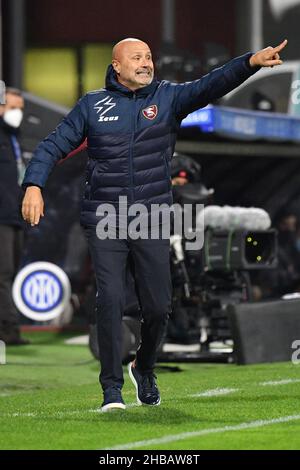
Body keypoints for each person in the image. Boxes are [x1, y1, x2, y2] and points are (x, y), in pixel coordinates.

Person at [21, 37, 287, 411]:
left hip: (152, 217)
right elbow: (52, 145)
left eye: (148, 57)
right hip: (106, 216)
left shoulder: (168, 98)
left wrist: (250, 63)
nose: (146, 63)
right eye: (137, 58)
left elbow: (211, 83)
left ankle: (143, 367)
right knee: (111, 299)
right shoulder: (92, 105)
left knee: (160, 307)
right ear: (116, 65)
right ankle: (111, 389)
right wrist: (34, 184)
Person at [0, 87, 29, 345]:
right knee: (4, 273)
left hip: (13, 216)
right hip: (1, 216)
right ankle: (8, 330)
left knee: (9, 273)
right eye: (12, 107)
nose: (17, 113)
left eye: (20, 107)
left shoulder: (13, 138)